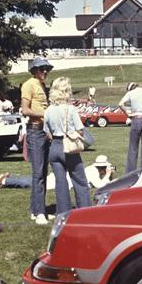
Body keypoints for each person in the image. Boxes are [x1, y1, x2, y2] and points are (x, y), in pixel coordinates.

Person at [44, 76, 91, 216]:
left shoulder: (48, 110)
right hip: (69, 146)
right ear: (66, 91)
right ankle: (85, 211)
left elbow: (47, 133)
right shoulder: (71, 109)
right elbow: (80, 130)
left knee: (61, 182)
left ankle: (63, 213)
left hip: (54, 147)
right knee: (79, 181)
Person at [21, 56, 53, 225]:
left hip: (43, 131)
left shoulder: (41, 85)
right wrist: (45, 114)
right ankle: (40, 212)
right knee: (38, 173)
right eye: (41, 69)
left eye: (46, 69)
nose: (45, 72)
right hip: (35, 131)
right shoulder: (29, 85)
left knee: (42, 173)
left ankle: (37, 209)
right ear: (34, 70)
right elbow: (25, 110)